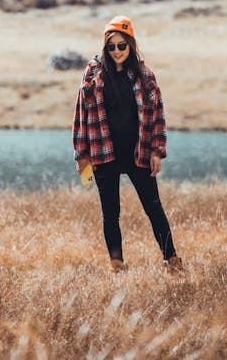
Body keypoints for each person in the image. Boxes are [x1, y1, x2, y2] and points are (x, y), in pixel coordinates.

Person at [73, 14, 182, 273]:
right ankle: (117, 264)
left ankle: (172, 260)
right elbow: (81, 114)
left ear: (130, 45)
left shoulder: (144, 74)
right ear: (105, 48)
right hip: (103, 151)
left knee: (153, 207)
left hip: (138, 151)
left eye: (122, 45)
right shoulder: (93, 72)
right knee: (110, 212)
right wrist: (82, 156)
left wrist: (157, 151)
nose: (117, 51)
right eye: (111, 46)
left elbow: (157, 114)